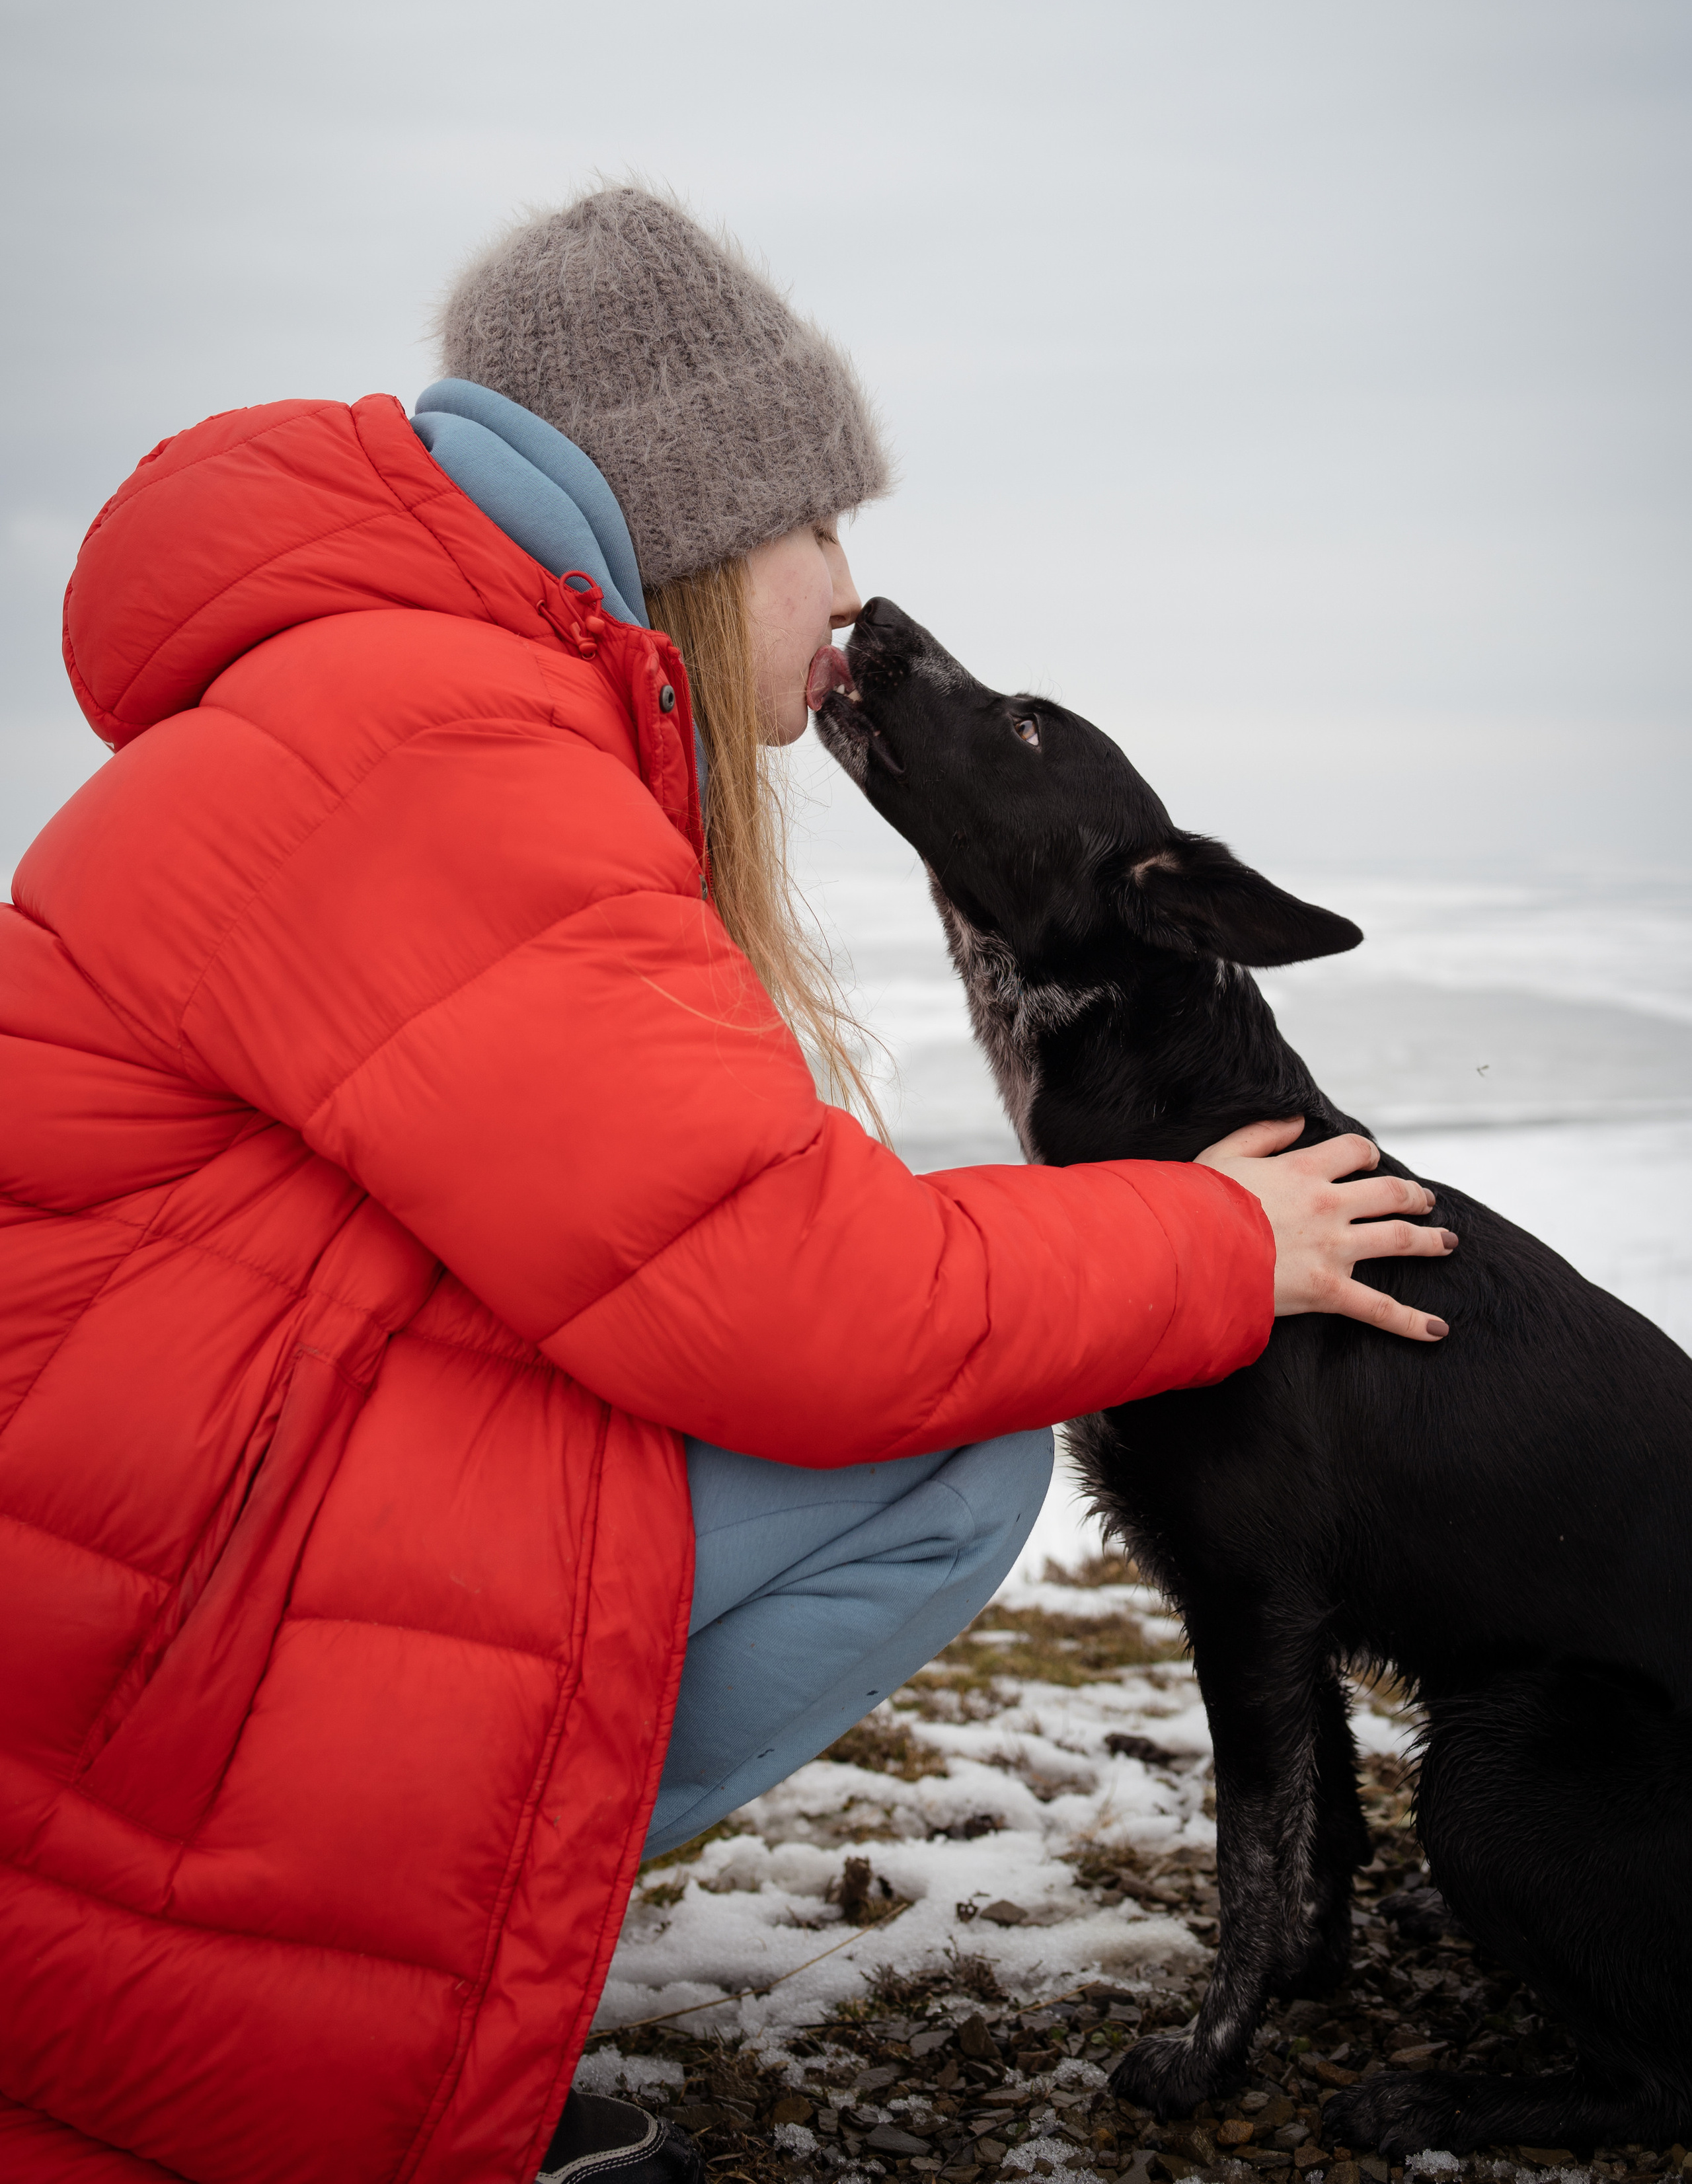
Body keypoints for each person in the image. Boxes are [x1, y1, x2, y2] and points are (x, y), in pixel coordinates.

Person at [0, 186, 1453, 2184]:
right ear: (696, 515)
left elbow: (672, 1227)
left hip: (145, 1533)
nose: (850, 590)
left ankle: (433, 1927)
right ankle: (385, 1944)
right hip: (134, 1628)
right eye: (822, 524)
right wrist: (1222, 1238)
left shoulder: (390, 696)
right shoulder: (447, 744)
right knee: (947, 1459)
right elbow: (793, 1294)